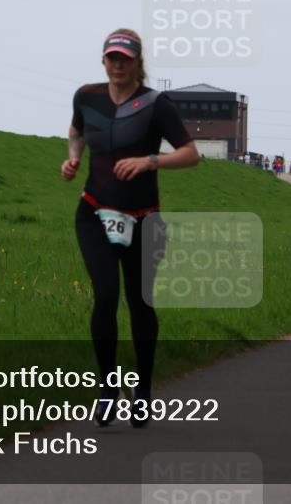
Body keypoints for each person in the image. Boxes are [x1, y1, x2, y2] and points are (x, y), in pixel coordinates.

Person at [62, 28, 199, 427]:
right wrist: (72, 159)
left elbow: (191, 154)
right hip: (93, 212)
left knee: (140, 304)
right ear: (103, 61)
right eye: (111, 58)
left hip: (143, 219)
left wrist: (149, 162)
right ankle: (107, 389)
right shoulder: (86, 96)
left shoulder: (156, 104)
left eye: (124, 58)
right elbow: (76, 132)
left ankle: (142, 389)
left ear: (138, 62)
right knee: (105, 296)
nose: (117, 65)